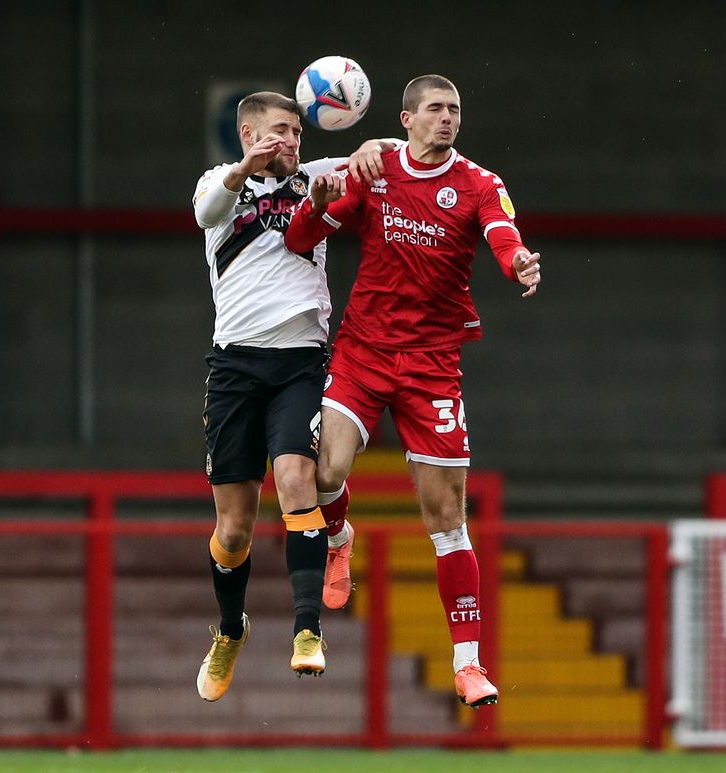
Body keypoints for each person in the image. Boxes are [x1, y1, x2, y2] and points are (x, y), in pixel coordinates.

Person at [285, 74, 542, 709]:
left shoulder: (481, 183)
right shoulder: (372, 172)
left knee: (446, 518)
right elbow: (299, 239)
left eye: (455, 109)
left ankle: (468, 664)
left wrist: (518, 263)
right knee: (325, 474)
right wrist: (319, 200)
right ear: (406, 119)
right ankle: (341, 540)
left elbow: (501, 235)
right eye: (435, 109)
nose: (447, 119)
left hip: (432, 365)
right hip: (364, 350)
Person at [192, 90, 399, 702]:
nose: (291, 142)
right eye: (279, 130)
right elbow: (208, 212)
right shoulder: (218, 182)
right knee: (234, 528)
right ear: (250, 132)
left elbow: (395, 154)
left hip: (301, 363)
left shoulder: (317, 178)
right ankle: (231, 629)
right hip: (233, 365)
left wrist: (367, 146)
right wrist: (244, 166)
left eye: (297, 133)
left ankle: (307, 630)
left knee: (295, 481)